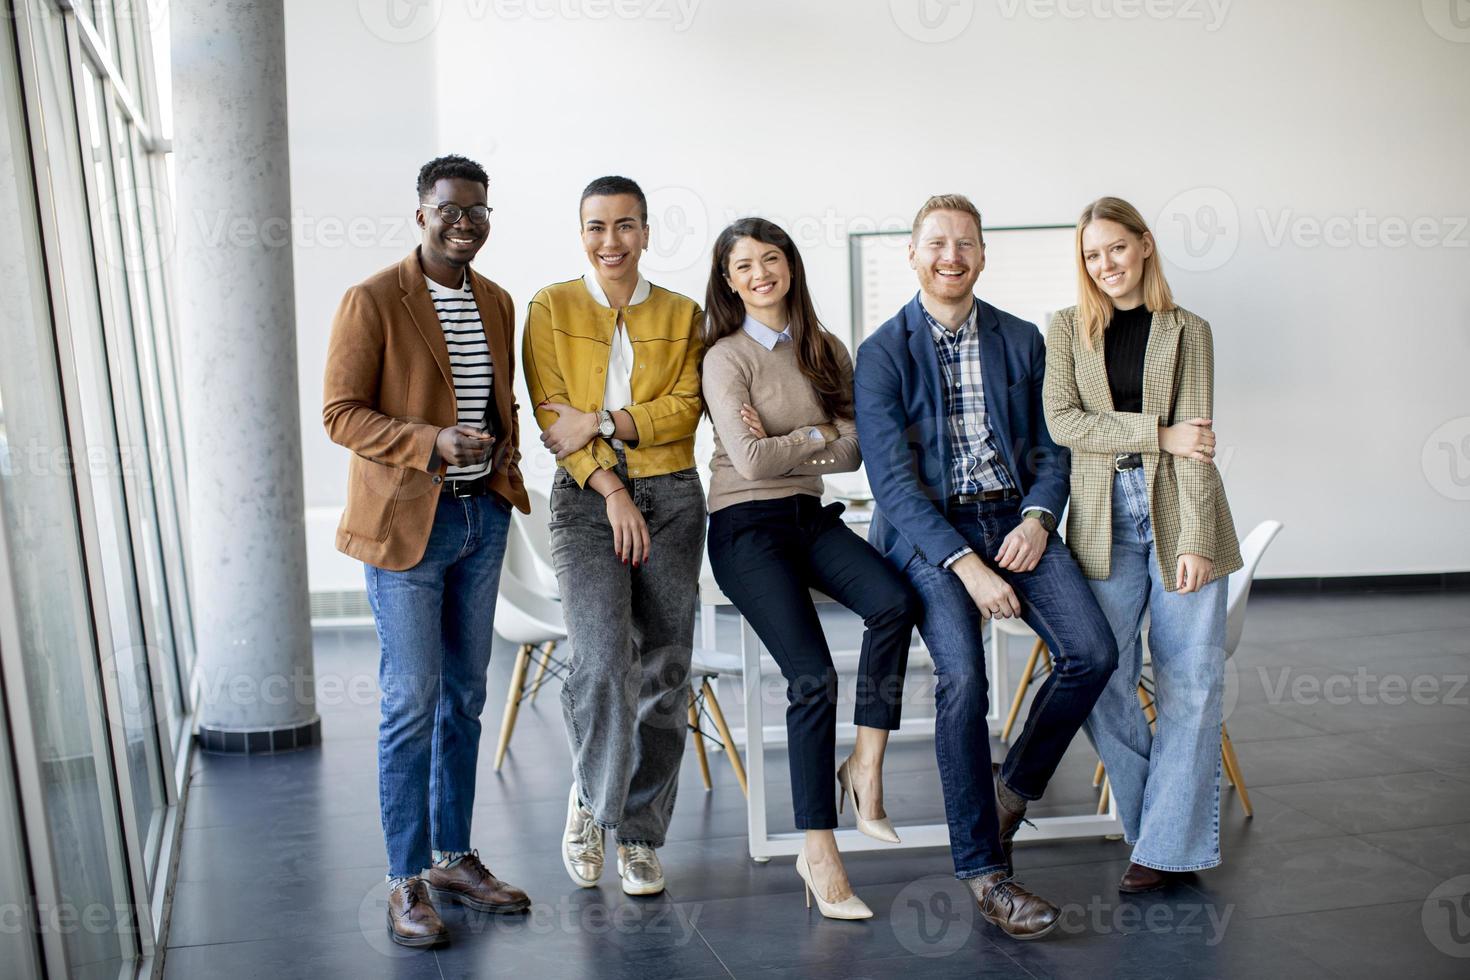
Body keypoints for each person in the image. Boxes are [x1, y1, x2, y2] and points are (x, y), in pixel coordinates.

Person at [854, 193, 1118, 941]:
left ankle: (1013, 789)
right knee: (963, 677)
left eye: (965, 243)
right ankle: (984, 872)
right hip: (929, 533)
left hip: (1015, 517)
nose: (951, 256)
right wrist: (967, 566)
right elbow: (894, 486)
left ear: (981, 253)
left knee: (1093, 651)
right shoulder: (881, 352)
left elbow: (1051, 445)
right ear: (912, 255)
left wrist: (1039, 518)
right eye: (936, 243)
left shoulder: (1021, 339)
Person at [323, 154, 532, 948]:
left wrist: (501, 462)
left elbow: (497, 400)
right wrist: (430, 441)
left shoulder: (498, 301)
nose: (463, 221)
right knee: (410, 704)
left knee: (466, 699)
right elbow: (340, 412)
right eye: (448, 208)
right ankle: (404, 881)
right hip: (410, 526)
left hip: (482, 524)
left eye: (476, 209)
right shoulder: (373, 299)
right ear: (421, 213)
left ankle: (452, 857)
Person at [700, 218, 918, 920]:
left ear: (789, 266)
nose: (761, 273)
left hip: (809, 517)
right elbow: (752, 462)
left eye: (771, 258)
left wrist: (797, 442)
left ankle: (865, 765)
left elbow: (855, 453)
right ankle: (818, 847)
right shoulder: (725, 357)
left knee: (894, 602)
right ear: (729, 280)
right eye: (744, 265)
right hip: (744, 529)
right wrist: (819, 434)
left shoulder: (824, 348)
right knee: (812, 676)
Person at [1043, 195, 1242, 893]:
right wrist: (1155, 434)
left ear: (1146, 245)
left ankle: (1161, 848)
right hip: (1101, 518)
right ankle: (1159, 822)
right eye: (1092, 256)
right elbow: (1065, 423)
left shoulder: (1190, 330)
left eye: (1117, 249)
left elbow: (1198, 442)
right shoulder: (1066, 328)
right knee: (1099, 672)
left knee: (1190, 684)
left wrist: (1192, 539)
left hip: (1182, 512)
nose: (1106, 266)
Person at [522, 175, 706, 897]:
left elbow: (685, 408)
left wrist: (602, 421)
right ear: (581, 233)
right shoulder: (550, 305)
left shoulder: (684, 312)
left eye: (625, 226)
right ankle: (593, 801)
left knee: (664, 669)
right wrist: (611, 488)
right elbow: (549, 414)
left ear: (647, 232)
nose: (611, 242)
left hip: (675, 497)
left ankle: (640, 835)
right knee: (602, 662)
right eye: (597, 227)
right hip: (585, 498)